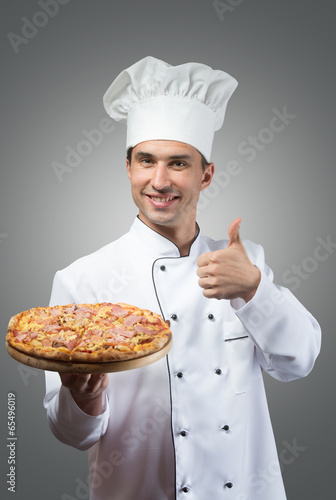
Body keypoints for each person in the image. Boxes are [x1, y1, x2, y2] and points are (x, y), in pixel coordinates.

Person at [44, 56, 321, 500]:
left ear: (205, 174)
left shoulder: (243, 263)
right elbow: (72, 434)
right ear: (128, 168)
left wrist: (255, 290)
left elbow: (300, 360)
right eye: (146, 161)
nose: (159, 180)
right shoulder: (84, 280)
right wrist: (85, 395)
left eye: (178, 163)